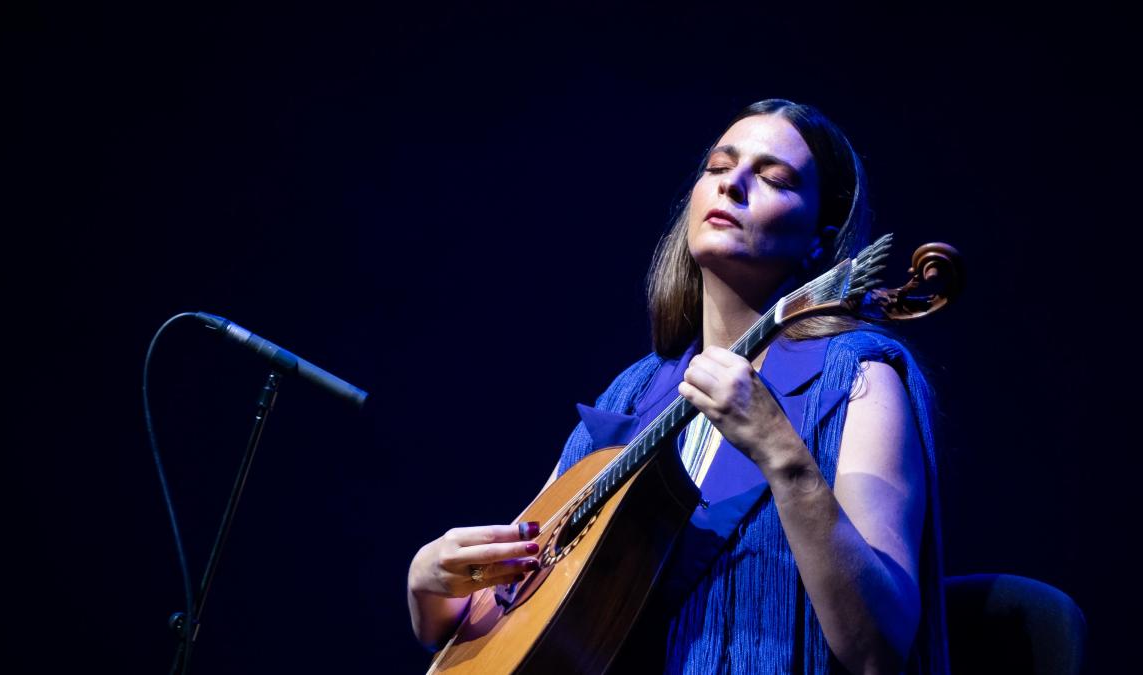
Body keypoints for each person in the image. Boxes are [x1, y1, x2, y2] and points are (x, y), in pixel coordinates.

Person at [407, 99, 949, 674]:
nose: (732, 184)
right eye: (718, 167)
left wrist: (784, 456)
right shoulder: (633, 394)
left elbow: (878, 649)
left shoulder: (856, 380)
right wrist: (431, 590)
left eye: (773, 179)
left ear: (820, 238)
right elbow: (513, 600)